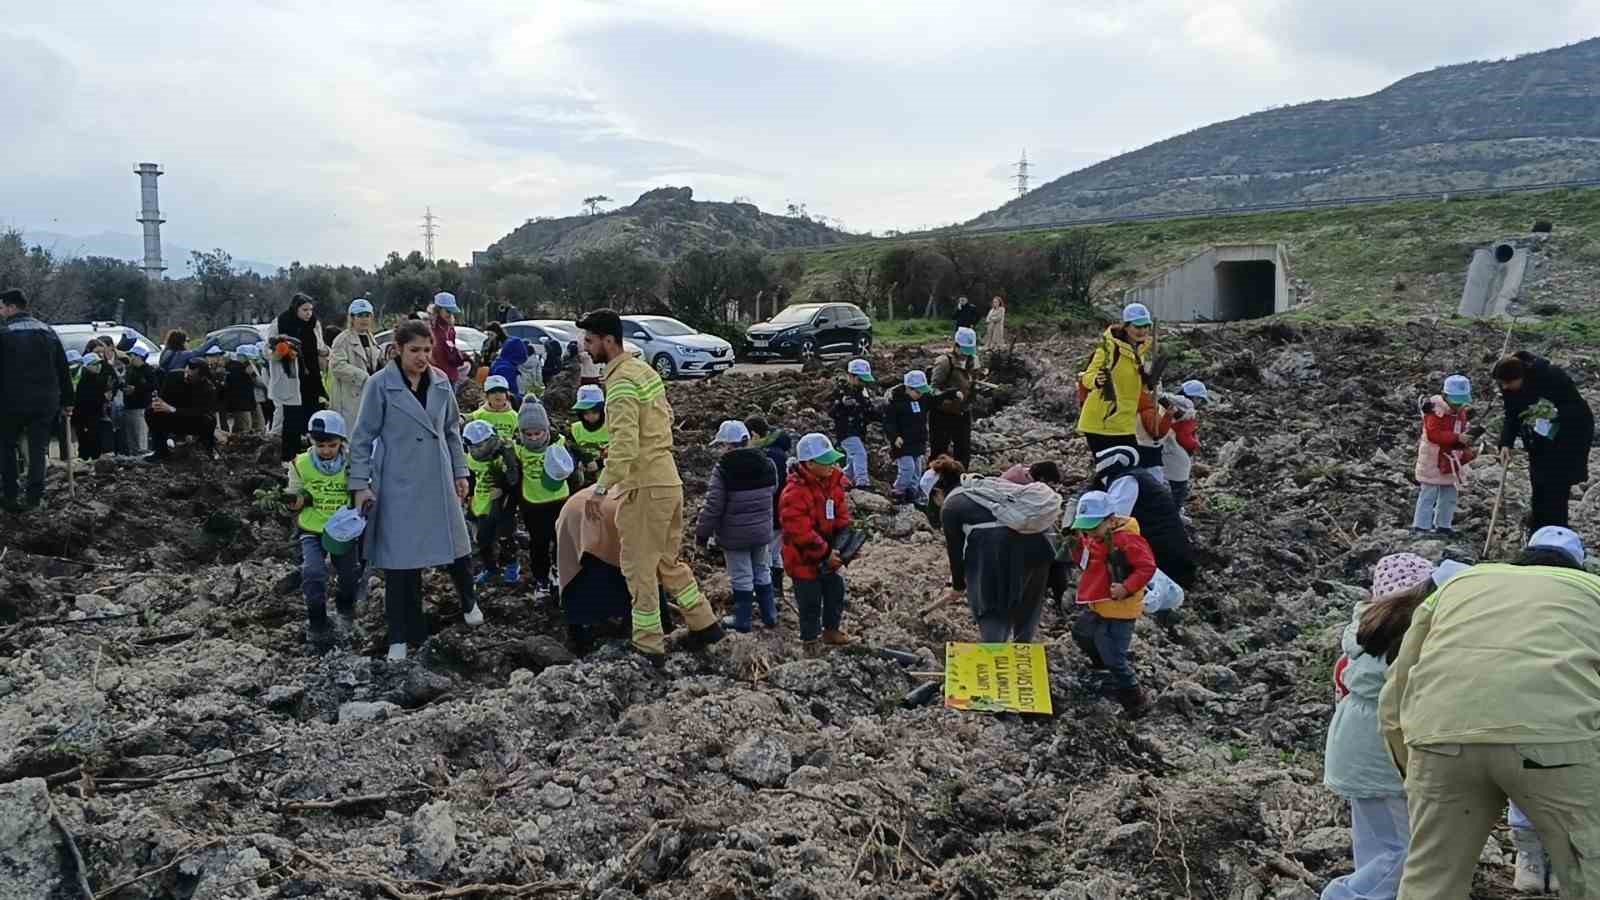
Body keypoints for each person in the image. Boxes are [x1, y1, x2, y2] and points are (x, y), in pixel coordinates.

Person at [1378, 526, 1600, 899]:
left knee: (1430, 880)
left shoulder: (1461, 584)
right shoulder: (1591, 591)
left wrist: (1412, 768)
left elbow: (1396, 690)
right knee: (1590, 873)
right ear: (1578, 566)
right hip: (1552, 740)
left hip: (1440, 735)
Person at [579, 309, 723, 662]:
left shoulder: (620, 383)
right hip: (667, 480)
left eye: (590, 340)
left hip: (644, 486)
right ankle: (704, 623)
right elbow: (665, 418)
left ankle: (648, 645)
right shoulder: (644, 371)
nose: (586, 347)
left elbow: (626, 447)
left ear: (608, 340)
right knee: (666, 562)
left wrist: (600, 489)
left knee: (639, 567)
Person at [348, 319, 484, 662]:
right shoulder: (380, 385)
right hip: (398, 481)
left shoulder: (440, 382)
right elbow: (362, 438)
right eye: (414, 350)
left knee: (456, 545)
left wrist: (460, 471)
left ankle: (469, 601)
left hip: (437, 476)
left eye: (427, 350)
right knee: (400, 564)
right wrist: (360, 486)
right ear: (398, 350)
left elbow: (451, 430)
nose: (422, 357)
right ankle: (400, 636)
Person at [1321, 552, 1436, 900]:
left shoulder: (1365, 632)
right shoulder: (1404, 639)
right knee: (1404, 851)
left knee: (1376, 845)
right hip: (1380, 757)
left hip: (1356, 749)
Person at [939, 473, 1059, 643]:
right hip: (1041, 542)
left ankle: (995, 650)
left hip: (999, 549)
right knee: (1029, 604)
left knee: (991, 604)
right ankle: (1023, 650)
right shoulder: (987, 487)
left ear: (937, 492)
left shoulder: (950, 506)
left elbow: (955, 552)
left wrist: (958, 585)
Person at [1066, 490, 1156, 719]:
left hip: (1120, 609)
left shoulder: (1127, 540)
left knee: (1114, 655)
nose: (1089, 533)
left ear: (1111, 520)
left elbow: (1147, 567)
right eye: (1085, 528)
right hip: (1099, 603)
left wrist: (1126, 587)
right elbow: (1085, 562)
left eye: (1093, 527)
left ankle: (1135, 699)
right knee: (1083, 633)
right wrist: (1075, 546)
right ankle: (1103, 670)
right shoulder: (1094, 536)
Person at [285, 410, 364, 643]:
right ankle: (317, 622)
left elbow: (363, 490)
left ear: (341, 442)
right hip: (312, 527)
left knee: (348, 575)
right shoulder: (300, 463)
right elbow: (295, 491)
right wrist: (297, 500)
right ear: (311, 441)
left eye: (332, 445)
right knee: (312, 573)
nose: (326, 451)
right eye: (320, 445)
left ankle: (345, 611)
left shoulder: (352, 464)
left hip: (344, 530)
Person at [1493, 352, 1593, 530]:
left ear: (1521, 377)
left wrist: (1552, 413)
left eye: (1508, 383)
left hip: (1567, 437)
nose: (1505, 387)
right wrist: (1506, 443)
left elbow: (1577, 408)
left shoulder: (1552, 376)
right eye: (1502, 384)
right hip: (1538, 439)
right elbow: (1512, 415)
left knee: (1557, 487)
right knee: (1539, 484)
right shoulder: (1508, 386)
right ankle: (1538, 530)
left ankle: (1557, 531)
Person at [697, 420, 780, 633]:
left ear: (727, 445)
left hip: (735, 535)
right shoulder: (767, 463)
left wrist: (702, 535)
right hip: (762, 531)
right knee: (762, 569)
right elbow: (773, 489)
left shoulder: (723, 469)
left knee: (741, 575)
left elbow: (713, 506)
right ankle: (770, 615)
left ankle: (743, 620)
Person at [781, 433, 855, 654]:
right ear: (810, 463)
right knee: (809, 601)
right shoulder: (794, 493)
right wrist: (825, 554)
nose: (832, 465)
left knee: (835, 591)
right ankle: (810, 640)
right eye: (826, 461)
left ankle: (831, 630)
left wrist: (843, 545)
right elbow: (800, 532)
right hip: (802, 558)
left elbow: (842, 516)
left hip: (829, 553)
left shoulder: (833, 484)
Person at [0, 288, 72, 513]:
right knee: (38, 449)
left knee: (6, 447)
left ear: (11, 307)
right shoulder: (48, 331)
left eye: (1, 307)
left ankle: (10, 495)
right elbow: (63, 368)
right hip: (45, 402)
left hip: (11, 401)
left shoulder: (4, 333)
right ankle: (34, 498)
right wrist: (68, 400)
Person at [1091, 445, 1196, 590]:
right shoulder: (1138, 476)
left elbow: (1115, 519)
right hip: (1170, 552)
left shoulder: (1126, 481)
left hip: (1162, 561)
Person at [513, 400, 574, 595]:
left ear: (546, 430)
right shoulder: (517, 448)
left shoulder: (559, 443)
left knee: (562, 540)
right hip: (533, 503)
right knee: (538, 543)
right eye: (528, 434)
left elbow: (572, 467)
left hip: (560, 500)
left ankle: (560, 571)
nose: (533, 438)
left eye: (537, 433)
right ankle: (541, 578)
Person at [1077, 303, 1154, 455]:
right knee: (1114, 467)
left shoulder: (1140, 352)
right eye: (1137, 326)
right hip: (1102, 423)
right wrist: (1097, 380)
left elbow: (1131, 386)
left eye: (1146, 326)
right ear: (1126, 326)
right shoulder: (1109, 349)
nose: (1142, 331)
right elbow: (1088, 376)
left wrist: (1148, 383)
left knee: (1128, 464)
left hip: (1125, 424)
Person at [1412, 374, 1478, 536]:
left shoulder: (1460, 412)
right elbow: (1433, 434)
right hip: (1433, 459)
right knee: (1428, 493)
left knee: (1449, 494)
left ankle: (1443, 525)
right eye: (1456, 402)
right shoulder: (1434, 411)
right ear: (1445, 396)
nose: (1458, 406)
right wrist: (1457, 438)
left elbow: (1461, 429)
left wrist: (1466, 441)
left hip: (1451, 459)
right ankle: (1421, 526)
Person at [462, 419, 523, 586]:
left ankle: (512, 565)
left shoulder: (504, 455)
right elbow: (471, 477)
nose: (478, 450)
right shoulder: (470, 459)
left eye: (482, 445)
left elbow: (514, 478)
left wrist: (502, 488)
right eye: (474, 447)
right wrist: (469, 495)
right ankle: (490, 568)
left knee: (505, 536)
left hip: (502, 503)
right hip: (481, 502)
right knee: (482, 539)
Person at [269, 293, 328, 462]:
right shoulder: (281, 322)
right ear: (296, 309)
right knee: (292, 420)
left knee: (313, 418)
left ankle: (314, 456)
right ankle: (290, 459)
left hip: (311, 377)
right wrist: (282, 351)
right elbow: (268, 350)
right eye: (305, 310)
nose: (308, 313)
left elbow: (319, 345)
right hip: (290, 378)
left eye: (311, 309)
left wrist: (324, 351)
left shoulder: (314, 323)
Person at [747, 415, 792, 604]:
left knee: (768, 553)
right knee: (774, 551)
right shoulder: (778, 452)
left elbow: (772, 486)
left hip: (772, 509)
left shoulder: (768, 455)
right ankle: (776, 590)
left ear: (754, 434)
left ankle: (770, 592)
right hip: (780, 509)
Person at [146, 357, 219, 460]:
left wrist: (172, 409)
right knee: (151, 411)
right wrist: (158, 403)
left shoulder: (208, 388)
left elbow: (199, 412)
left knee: (209, 420)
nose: (186, 376)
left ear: (202, 377)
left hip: (194, 421)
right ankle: (161, 451)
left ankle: (207, 449)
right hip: (173, 417)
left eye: (191, 376)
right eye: (186, 372)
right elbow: (163, 398)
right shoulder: (174, 376)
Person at [329, 298, 384, 426]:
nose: (364, 319)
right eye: (360, 315)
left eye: (367, 315)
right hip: (349, 399)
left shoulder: (371, 338)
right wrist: (363, 377)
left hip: (369, 396)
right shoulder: (342, 340)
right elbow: (337, 366)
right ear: (352, 318)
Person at [929, 328, 980, 467]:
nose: (966, 355)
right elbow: (933, 389)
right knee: (939, 451)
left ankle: (961, 477)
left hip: (963, 412)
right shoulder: (944, 363)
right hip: (942, 414)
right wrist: (950, 394)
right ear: (956, 346)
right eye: (964, 351)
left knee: (963, 451)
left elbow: (973, 381)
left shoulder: (973, 361)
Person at [883, 370, 934, 505]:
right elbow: (889, 422)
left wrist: (952, 393)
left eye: (922, 391)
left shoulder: (923, 399)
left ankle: (912, 493)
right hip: (903, 443)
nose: (920, 394)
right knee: (907, 468)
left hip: (918, 441)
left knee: (917, 470)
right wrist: (895, 437)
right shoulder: (895, 402)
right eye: (917, 391)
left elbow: (937, 399)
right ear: (908, 388)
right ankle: (898, 491)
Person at [831, 358, 878, 489]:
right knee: (859, 454)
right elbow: (832, 412)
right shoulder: (841, 391)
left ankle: (842, 480)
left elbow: (868, 411)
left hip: (859, 430)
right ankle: (862, 482)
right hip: (846, 431)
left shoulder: (863, 392)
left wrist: (882, 415)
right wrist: (842, 404)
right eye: (860, 379)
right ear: (851, 376)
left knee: (852, 461)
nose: (863, 383)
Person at [1161, 380, 1207, 511]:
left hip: (1165, 451)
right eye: (1200, 400)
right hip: (1176, 455)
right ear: (1194, 397)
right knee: (1178, 490)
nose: (1199, 403)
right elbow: (1184, 437)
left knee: (1165, 488)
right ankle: (1173, 516)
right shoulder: (1187, 408)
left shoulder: (1166, 402)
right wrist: (1194, 445)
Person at [73, 340, 121, 460]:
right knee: (86, 441)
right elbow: (84, 397)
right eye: (97, 352)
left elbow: (114, 383)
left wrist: (110, 393)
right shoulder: (84, 377)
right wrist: (102, 396)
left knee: (99, 439)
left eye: (101, 352)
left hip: (101, 412)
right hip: (86, 415)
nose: (100, 355)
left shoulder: (105, 369)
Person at [120, 346, 157, 454]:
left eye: (132, 356)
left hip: (141, 408)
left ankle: (143, 459)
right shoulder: (129, 369)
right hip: (128, 406)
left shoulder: (148, 370)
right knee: (131, 439)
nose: (131, 358)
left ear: (139, 357)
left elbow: (153, 386)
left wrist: (136, 389)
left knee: (140, 438)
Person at [428, 291, 469, 388]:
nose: (450, 314)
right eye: (448, 311)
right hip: (436, 375)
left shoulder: (450, 329)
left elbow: (451, 349)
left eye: (452, 312)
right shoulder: (430, 328)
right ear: (438, 310)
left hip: (450, 374)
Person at [570, 385, 610, 480]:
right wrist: (580, 461)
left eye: (594, 412)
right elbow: (572, 448)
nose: (590, 416)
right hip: (583, 476)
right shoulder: (575, 428)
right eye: (585, 413)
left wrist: (599, 464)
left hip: (608, 475)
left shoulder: (611, 427)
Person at [468, 376, 520, 442]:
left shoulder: (515, 416)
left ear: (507, 395)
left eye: (501, 391)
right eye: (493, 392)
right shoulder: (478, 415)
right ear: (487, 396)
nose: (498, 395)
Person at [220, 348, 260, 434]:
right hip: (244, 404)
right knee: (244, 427)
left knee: (242, 427)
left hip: (240, 404)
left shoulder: (233, 369)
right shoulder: (240, 368)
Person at [487, 336, 531, 407]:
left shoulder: (502, 363)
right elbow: (505, 393)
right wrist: (523, 399)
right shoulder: (505, 369)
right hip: (505, 407)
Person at [241, 344, 270, 432]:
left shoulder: (251, 365)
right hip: (254, 398)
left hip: (254, 398)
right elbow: (258, 381)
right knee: (259, 420)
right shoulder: (249, 366)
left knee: (258, 420)